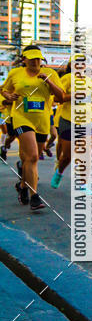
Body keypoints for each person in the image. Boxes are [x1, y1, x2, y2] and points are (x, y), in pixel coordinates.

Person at [0, 44, 64, 210]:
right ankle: (34, 196)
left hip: (42, 121)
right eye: (32, 58)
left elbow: (61, 97)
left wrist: (48, 81)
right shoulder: (16, 73)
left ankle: (22, 186)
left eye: (38, 58)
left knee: (30, 159)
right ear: (24, 59)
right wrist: (8, 95)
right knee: (33, 156)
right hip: (21, 118)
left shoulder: (50, 73)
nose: (35, 61)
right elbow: (3, 89)